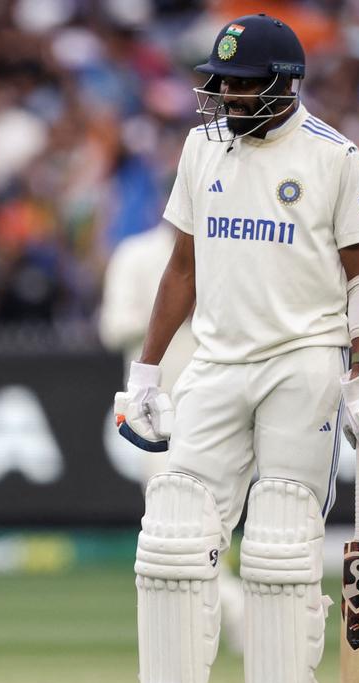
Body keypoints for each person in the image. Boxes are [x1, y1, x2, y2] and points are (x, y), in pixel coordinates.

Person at [113, 14, 359, 683]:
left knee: (281, 540)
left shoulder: (336, 157)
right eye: (222, 83)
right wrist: (147, 374)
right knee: (175, 535)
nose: (227, 97)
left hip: (302, 363)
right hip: (214, 361)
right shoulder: (200, 147)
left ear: (285, 84)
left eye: (243, 86)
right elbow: (181, 267)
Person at [99, 223, 246, 657]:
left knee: (213, 529)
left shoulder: (228, 245)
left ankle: (219, 629)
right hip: (159, 417)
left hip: (222, 406)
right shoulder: (136, 253)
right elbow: (113, 326)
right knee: (175, 528)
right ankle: (240, 621)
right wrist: (177, 304)